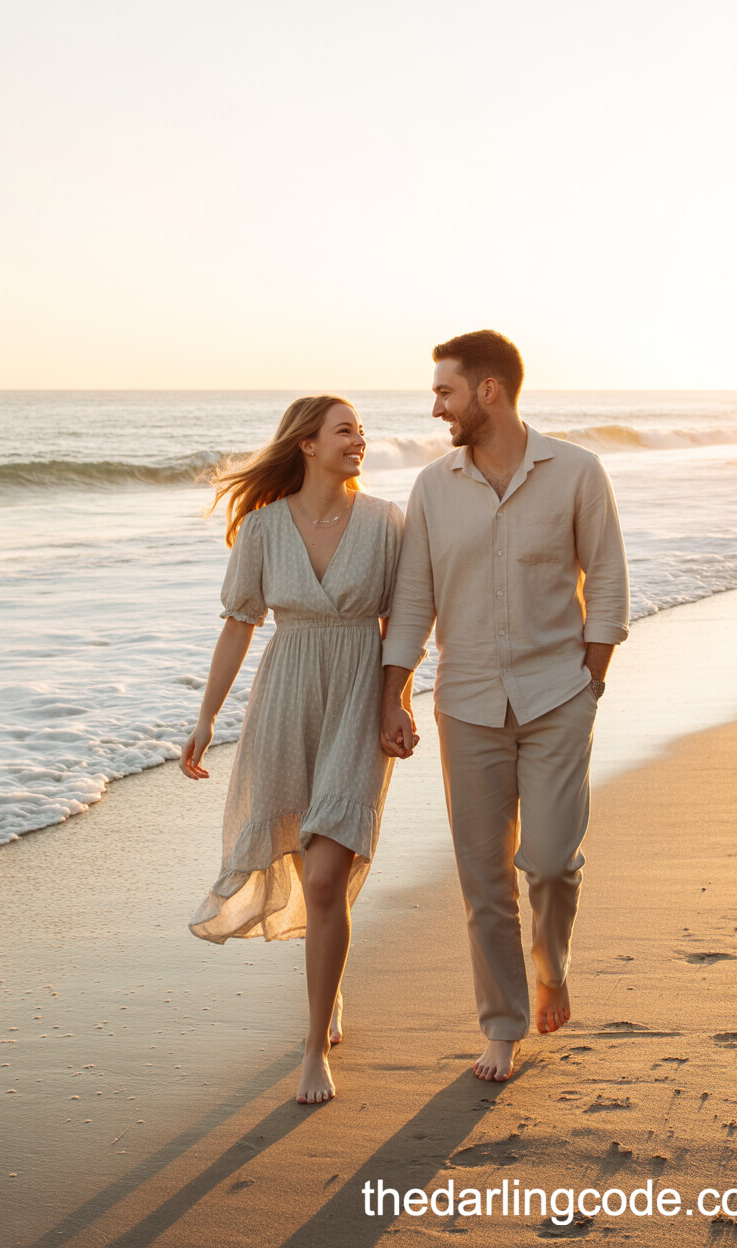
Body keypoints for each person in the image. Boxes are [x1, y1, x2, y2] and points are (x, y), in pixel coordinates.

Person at [380, 330, 629, 1083]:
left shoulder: (577, 472)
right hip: (466, 704)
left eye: (445, 392)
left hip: (558, 698)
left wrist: (591, 679)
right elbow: (414, 596)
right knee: (483, 878)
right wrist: (395, 690)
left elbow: (609, 579)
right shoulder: (432, 488)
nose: (435, 408)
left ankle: (551, 966)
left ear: (489, 392)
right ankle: (503, 1023)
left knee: (551, 864)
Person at [182, 395, 403, 1105]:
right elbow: (238, 625)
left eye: (362, 432)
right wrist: (206, 717)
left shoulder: (386, 523)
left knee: (324, 878)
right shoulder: (264, 528)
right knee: (308, 866)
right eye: (345, 431)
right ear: (306, 444)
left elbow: (407, 621)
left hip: (356, 703)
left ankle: (314, 1049)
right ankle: (326, 995)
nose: (359, 441)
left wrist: (396, 699)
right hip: (285, 702)